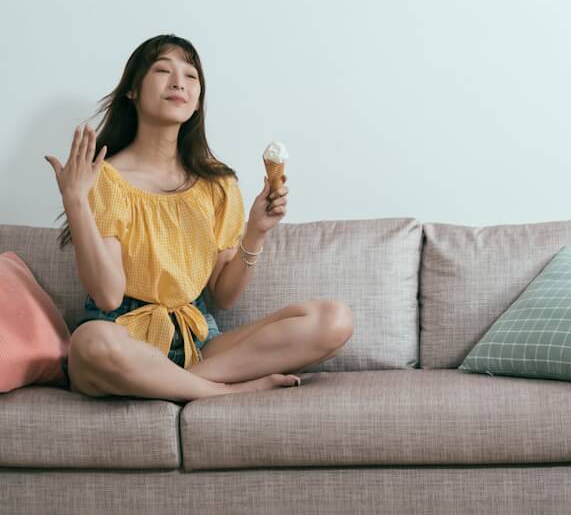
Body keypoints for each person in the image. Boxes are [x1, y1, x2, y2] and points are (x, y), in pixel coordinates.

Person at [43, 34, 353, 402]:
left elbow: (223, 296)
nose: (179, 82)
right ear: (132, 91)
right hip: (122, 340)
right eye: (162, 70)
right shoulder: (103, 178)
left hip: (197, 343)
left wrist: (256, 231)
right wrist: (76, 201)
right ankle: (222, 391)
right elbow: (108, 296)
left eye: (191, 76)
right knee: (89, 341)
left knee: (335, 319)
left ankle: (176, 384)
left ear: (198, 99)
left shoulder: (217, 184)